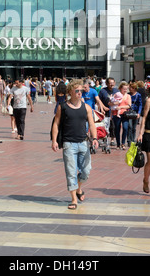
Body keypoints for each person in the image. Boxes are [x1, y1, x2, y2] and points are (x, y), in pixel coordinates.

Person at [51, 79, 99, 210]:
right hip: (68, 144)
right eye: (76, 90)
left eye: (81, 90)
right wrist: (54, 140)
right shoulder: (63, 106)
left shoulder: (87, 107)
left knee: (86, 171)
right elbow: (56, 123)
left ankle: (78, 189)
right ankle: (73, 199)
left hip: (83, 143)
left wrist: (95, 138)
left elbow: (92, 124)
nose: (79, 93)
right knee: (71, 172)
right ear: (70, 92)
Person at [111, 81, 131, 150]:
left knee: (125, 128)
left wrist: (121, 107)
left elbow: (129, 105)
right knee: (117, 129)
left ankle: (123, 143)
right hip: (116, 114)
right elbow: (111, 101)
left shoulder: (128, 96)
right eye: (124, 89)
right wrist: (114, 104)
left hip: (125, 114)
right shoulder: (116, 94)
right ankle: (118, 144)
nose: (125, 90)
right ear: (120, 88)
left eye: (126, 89)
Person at [128, 82, 142, 146]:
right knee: (129, 126)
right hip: (129, 112)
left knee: (134, 127)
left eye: (131, 88)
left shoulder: (138, 95)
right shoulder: (128, 95)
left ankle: (133, 139)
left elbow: (140, 104)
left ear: (134, 88)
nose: (129, 89)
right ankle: (129, 140)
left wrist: (139, 113)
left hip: (135, 112)